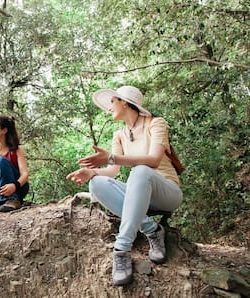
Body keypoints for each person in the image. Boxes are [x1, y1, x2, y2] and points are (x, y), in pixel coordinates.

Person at [66, 86, 183, 286]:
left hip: (167, 192)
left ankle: (121, 249)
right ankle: (152, 230)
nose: (109, 108)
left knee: (141, 170)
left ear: (125, 102)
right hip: (139, 194)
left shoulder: (156, 124)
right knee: (97, 183)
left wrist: (111, 157)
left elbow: (153, 160)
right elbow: (113, 171)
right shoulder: (119, 134)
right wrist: (92, 172)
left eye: (112, 102)